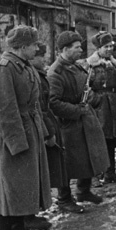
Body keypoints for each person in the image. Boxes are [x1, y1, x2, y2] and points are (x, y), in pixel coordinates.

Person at [0, 25, 51, 230]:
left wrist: (41, 132)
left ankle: (19, 227)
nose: (37, 48)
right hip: (9, 134)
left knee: (23, 184)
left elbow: (34, 104)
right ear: (22, 47)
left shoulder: (25, 66)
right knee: (6, 184)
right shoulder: (5, 69)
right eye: (33, 45)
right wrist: (17, 142)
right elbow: (3, 109)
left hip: (28, 130)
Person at [48, 31, 110, 207]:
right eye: (76, 48)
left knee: (87, 157)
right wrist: (76, 110)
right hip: (68, 124)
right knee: (67, 163)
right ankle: (64, 198)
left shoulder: (75, 66)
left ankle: (84, 191)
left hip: (84, 120)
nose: (81, 50)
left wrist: (92, 99)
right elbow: (53, 102)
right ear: (65, 49)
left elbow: (85, 87)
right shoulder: (56, 72)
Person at [30, 43, 78, 219]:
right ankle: (33, 212)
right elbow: (41, 105)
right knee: (40, 169)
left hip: (48, 123)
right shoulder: (39, 73)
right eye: (41, 56)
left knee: (57, 165)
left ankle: (64, 198)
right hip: (43, 125)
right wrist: (47, 132)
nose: (44, 60)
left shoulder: (38, 73)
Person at [85, 31, 116, 185]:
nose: (110, 49)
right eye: (106, 46)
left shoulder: (115, 65)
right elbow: (86, 89)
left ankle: (110, 172)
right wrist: (97, 100)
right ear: (98, 48)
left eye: (111, 46)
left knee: (113, 141)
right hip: (100, 109)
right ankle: (96, 174)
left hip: (115, 107)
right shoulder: (91, 66)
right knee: (100, 141)